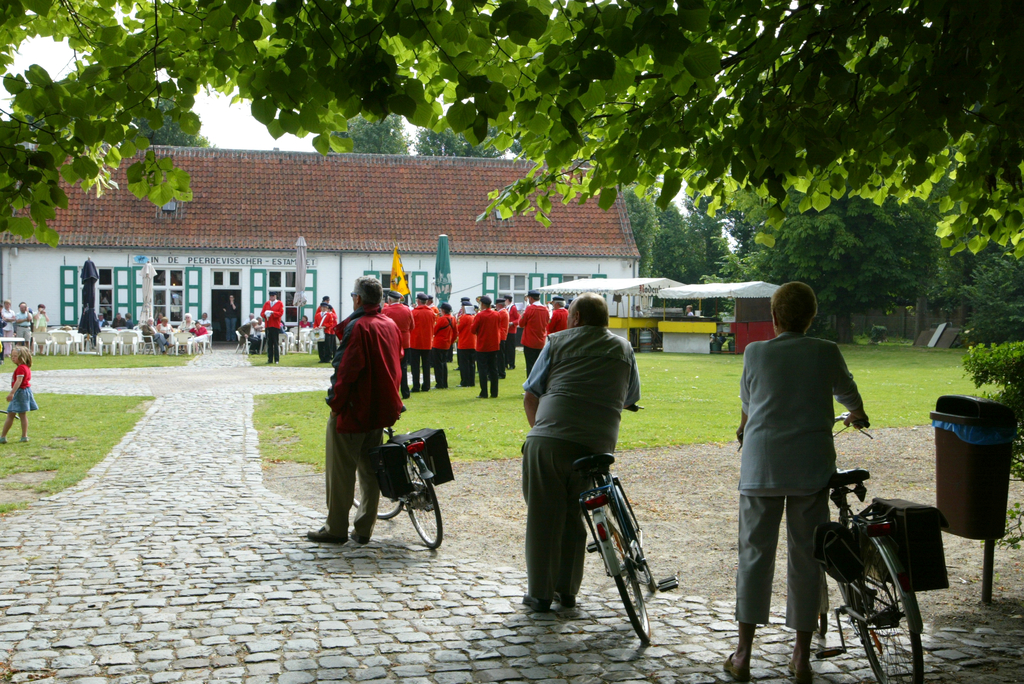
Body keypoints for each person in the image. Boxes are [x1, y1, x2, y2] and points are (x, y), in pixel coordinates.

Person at [726, 282, 867, 684]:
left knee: (754, 556)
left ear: (774, 316)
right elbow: (849, 395)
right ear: (811, 317)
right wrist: (857, 414)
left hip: (762, 466)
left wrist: (743, 429)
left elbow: (749, 406)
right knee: (807, 558)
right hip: (809, 468)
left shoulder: (755, 352)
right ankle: (801, 658)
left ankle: (743, 655)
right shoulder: (826, 351)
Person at [520, 292, 641, 612]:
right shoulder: (624, 348)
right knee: (576, 514)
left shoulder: (557, 342)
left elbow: (531, 395)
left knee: (543, 516)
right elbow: (631, 397)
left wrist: (540, 431)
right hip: (597, 445)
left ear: (575, 318)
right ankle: (567, 590)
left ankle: (540, 594)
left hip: (550, 440)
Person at [307, 276, 403, 545]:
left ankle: (336, 527)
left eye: (353, 295)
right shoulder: (389, 324)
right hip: (379, 408)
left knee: (341, 472)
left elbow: (345, 371)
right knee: (370, 471)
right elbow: (397, 363)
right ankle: (363, 528)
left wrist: (335, 404)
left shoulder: (359, 326)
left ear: (358, 298)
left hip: (354, 409)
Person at [382, 290, 414, 398]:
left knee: (391, 367)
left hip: (391, 341)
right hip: (405, 341)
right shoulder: (407, 310)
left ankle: (392, 392)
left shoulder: (386, 310)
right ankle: (405, 392)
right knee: (403, 367)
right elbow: (412, 326)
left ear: (389, 300)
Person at [1, 347, 37, 444]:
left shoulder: (21, 368)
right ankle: (24, 436)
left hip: (20, 392)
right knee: (22, 414)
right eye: (12, 356)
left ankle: (3, 437)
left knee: (10, 414)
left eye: (15, 356)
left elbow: (19, 381)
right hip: (25, 391)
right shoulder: (26, 367)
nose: (13, 358)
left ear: (22, 357)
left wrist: (12, 393)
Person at [471, 295, 502, 398]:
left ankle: (484, 392)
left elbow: (473, 330)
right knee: (493, 369)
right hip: (494, 345)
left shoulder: (480, 315)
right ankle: (494, 392)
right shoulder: (497, 314)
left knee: (483, 370)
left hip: (483, 345)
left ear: (482, 304)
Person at [518, 290, 550, 377]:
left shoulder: (530, 308)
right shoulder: (545, 309)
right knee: (539, 365)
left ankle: (530, 384)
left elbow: (521, 323)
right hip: (541, 341)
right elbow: (547, 322)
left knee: (530, 365)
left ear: (531, 298)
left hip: (529, 340)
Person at [409, 293, 434, 392]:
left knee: (415, 366)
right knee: (426, 365)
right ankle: (426, 385)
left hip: (415, 341)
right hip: (427, 342)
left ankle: (416, 386)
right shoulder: (431, 312)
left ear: (418, 301)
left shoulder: (414, 312)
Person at [430, 302, 456, 389]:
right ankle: (444, 383)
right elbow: (455, 332)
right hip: (447, 344)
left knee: (438, 364)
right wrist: (451, 342)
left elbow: (434, 331)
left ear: (443, 310)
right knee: (444, 363)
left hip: (438, 344)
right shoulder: (453, 319)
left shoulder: (442, 319)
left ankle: (439, 383)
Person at [456, 299, 477, 388]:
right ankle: (471, 381)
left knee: (464, 364)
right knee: (472, 364)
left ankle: (465, 381)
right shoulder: (474, 317)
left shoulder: (464, 317)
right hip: (473, 343)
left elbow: (458, 328)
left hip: (464, 343)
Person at [261, 291, 284, 364]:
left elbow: (280, 313)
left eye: (273, 296)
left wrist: (273, 313)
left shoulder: (279, 303)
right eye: (271, 296)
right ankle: (270, 359)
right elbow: (262, 313)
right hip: (268, 325)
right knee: (269, 343)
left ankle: (276, 359)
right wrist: (265, 314)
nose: (271, 297)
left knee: (275, 343)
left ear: (275, 296)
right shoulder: (267, 303)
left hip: (275, 325)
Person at [495, 298, 510, 379]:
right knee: (500, 356)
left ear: (499, 305)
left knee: (500, 356)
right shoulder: (503, 312)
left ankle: (501, 373)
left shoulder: (502, 313)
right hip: (501, 335)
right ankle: (500, 371)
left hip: (500, 336)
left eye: (496, 305)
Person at [504, 294, 519, 370]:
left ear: (507, 300)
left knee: (511, 348)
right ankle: (505, 363)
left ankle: (511, 364)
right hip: (506, 331)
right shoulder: (506, 307)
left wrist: (512, 323)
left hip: (512, 331)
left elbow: (518, 319)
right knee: (505, 348)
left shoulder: (513, 308)